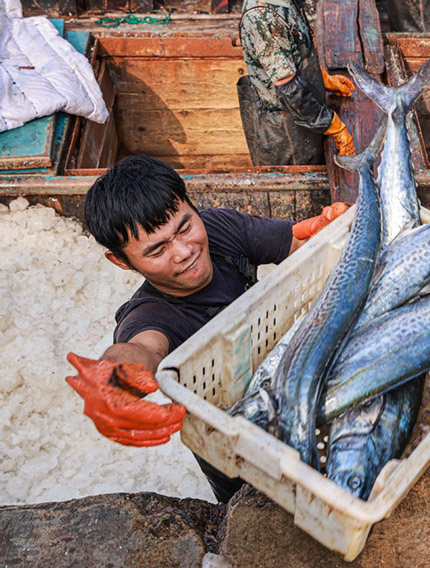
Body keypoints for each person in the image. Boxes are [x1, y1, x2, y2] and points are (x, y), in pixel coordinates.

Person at [65, 155, 349, 502]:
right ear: (122, 261)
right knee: (246, 505)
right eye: (157, 250)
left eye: (184, 227)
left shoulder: (218, 229)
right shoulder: (150, 316)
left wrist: (329, 228)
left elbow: (296, 243)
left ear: (191, 205)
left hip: (287, 382)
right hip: (228, 445)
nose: (185, 251)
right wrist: (112, 382)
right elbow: (140, 350)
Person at [237, 0, 356, 166]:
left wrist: (322, 79)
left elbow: (294, 51)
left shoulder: (285, 2)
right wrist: (334, 126)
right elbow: (289, 89)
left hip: (306, 113)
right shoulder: (263, 20)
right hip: (287, 132)